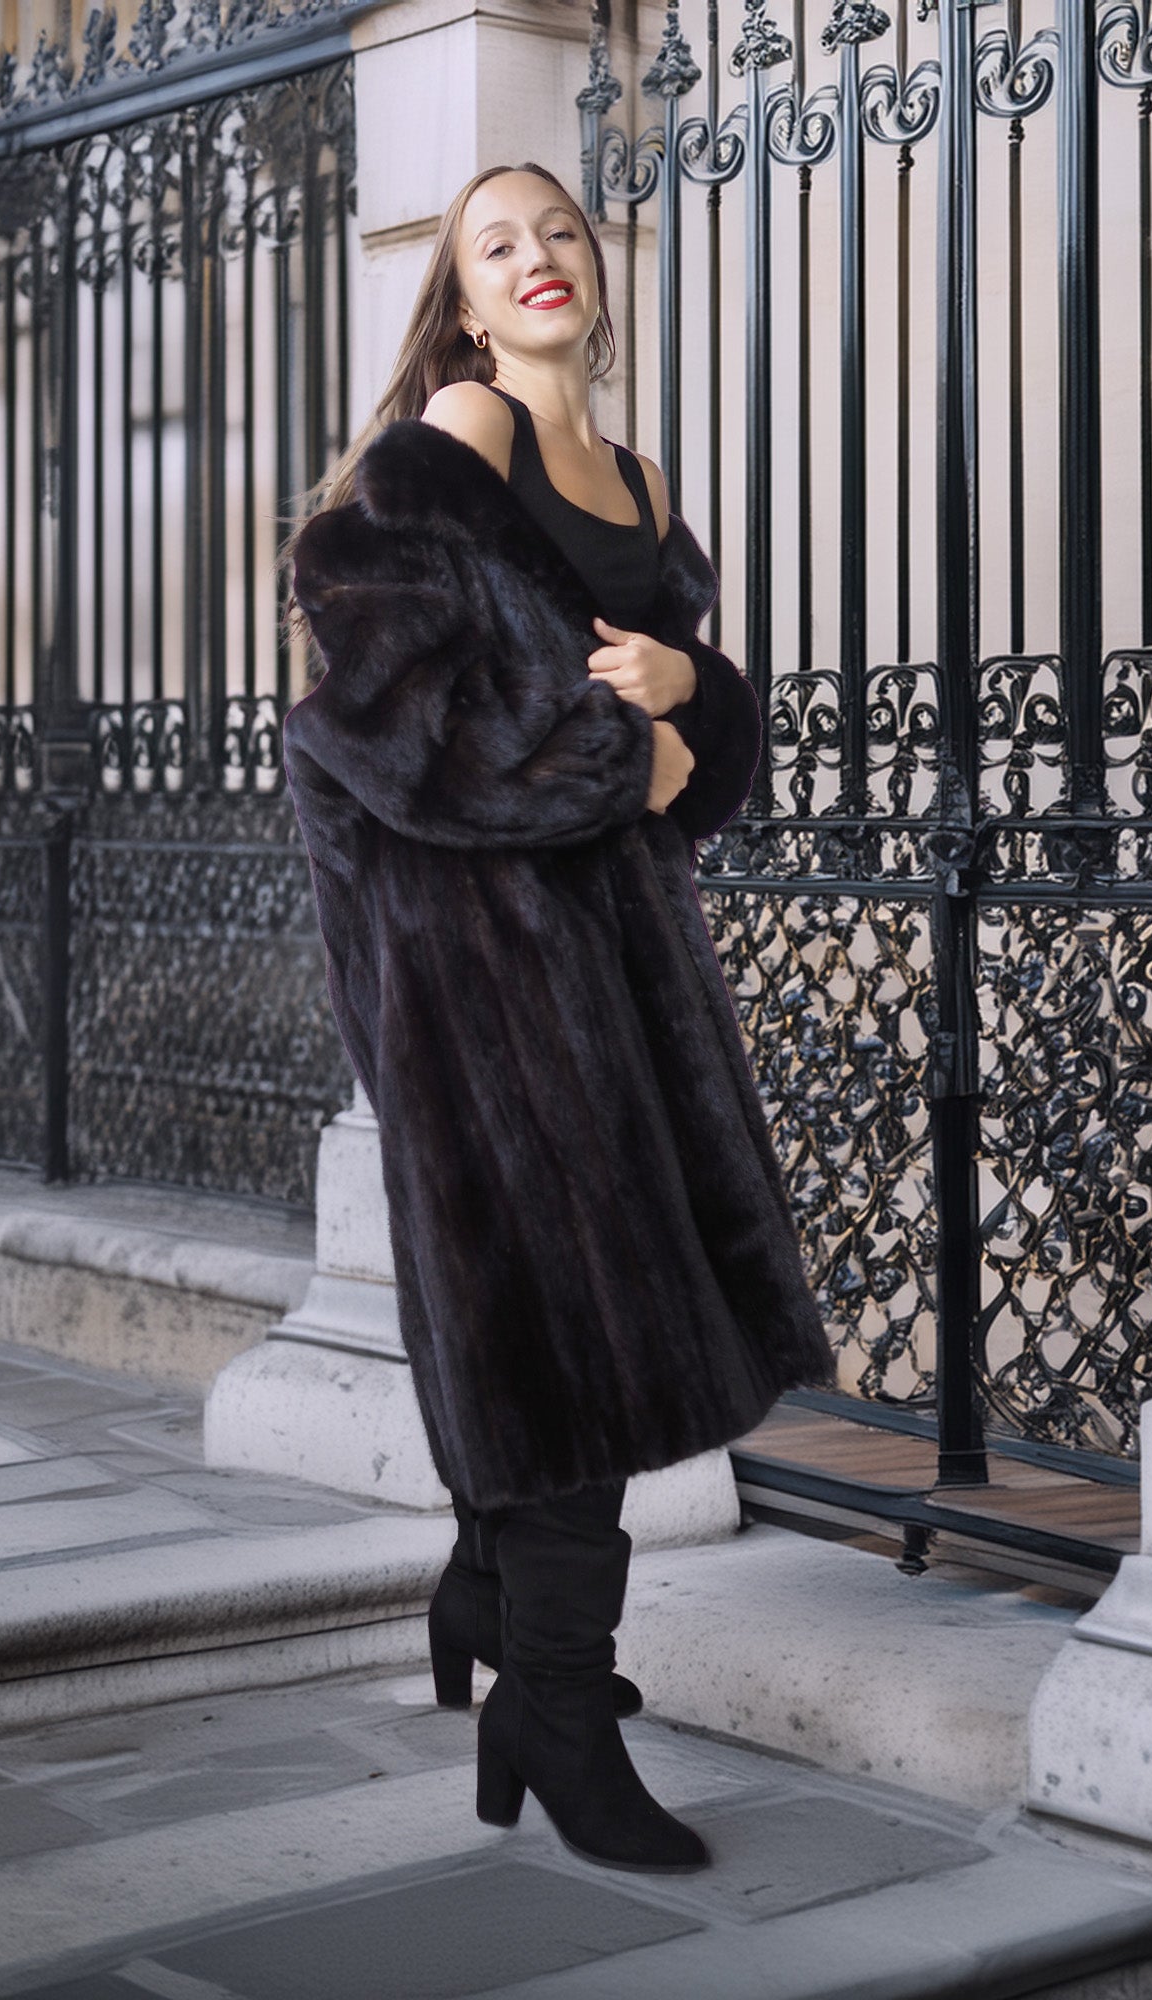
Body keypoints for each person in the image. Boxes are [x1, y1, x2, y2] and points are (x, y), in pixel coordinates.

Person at [279, 162, 836, 1875]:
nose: (537, 259)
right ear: (462, 300)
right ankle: (561, 1711)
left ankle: (490, 1592)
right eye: (496, 245)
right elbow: (382, 712)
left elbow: (673, 734)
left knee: (572, 1310)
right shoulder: (463, 432)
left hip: (621, 955)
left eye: (560, 233)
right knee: (575, 1327)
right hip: (483, 961)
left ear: (598, 267)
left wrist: (699, 698)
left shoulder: (642, 481)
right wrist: (625, 753)